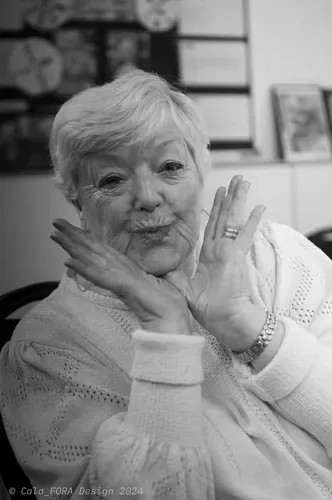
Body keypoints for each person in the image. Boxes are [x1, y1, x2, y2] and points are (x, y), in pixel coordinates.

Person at [1, 70, 332, 500]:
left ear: (199, 172)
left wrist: (248, 326)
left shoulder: (277, 255)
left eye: (170, 167)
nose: (148, 196)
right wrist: (166, 339)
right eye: (112, 180)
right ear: (77, 200)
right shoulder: (47, 349)